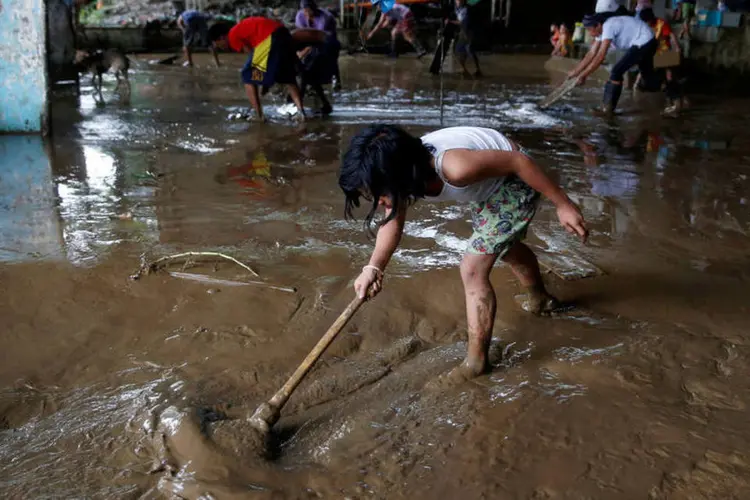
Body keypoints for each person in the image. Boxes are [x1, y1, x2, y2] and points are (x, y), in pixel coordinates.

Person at [339, 125, 588, 381]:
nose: (378, 202)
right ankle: (540, 298)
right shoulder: (401, 169)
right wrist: (373, 268)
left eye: (378, 194)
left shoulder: (456, 167)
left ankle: (476, 362)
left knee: (472, 268)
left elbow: (519, 162)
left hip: (514, 178)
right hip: (489, 181)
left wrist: (563, 204)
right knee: (503, 245)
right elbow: (392, 221)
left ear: (399, 176)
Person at [210, 17, 305, 122]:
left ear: (222, 37)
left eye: (218, 44)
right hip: (284, 34)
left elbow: (252, 55)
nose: (221, 48)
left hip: (270, 37)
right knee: (287, 76)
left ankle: (258, 115)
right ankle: (301, 112)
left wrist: (260, 80)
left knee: (247, 74)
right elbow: (259, 59)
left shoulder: (232, 36)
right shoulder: (241, 28)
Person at [568, 13, 657, 115]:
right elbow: (591, 53)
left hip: (645, 41)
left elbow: (600, 56)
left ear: (598, 25)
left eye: (589, 30)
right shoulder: (600, 31)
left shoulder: (608, 27)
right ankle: (673, 89)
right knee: (649, 81)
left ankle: (608, 109)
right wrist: (576, 71)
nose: (590, 34)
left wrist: (583, 75)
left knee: (616, 71)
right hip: (644, 40)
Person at [639, 8, 684, 115]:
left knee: (669, 76)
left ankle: (676, 103)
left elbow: (671, 36)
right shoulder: (643, 26)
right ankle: (671, 100)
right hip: (651, 55)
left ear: (651, 19)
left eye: (647, 21)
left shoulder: (661, 23)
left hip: (664, 54)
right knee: (657, 78)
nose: (646, 23)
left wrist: (677, 48)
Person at [295, 0, 342, 90]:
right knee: (306, 61)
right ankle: (311, 82)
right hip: (309, 40)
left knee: (329, 58)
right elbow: (301, 34)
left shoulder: (325, 18)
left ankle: (335, 79)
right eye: (304, 10)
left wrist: (303, 53)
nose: (307, 13)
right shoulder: (300, 16)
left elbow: (319, 39)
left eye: (309, 10)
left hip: (327, 41)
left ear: (314, 9)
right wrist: (299, 51)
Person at [291, 28, 338, 115]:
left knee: (306, 75)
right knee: (311, 77)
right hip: (328, 43)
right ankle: (326, 105)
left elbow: (297, 62)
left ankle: (297, 107)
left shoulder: (287, 41)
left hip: (328, 44)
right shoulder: (289, 39)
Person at [447, 0, 481, 76]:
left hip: (468, 31)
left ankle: (477, 69)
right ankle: (464, 69)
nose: (458, 2)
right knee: (458, 51)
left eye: (460, 0)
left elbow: (461, 22)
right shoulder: (456, 8)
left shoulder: (466, 9)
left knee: (469, 49)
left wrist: (451, 22)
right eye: (457, 0)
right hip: (462, 31)